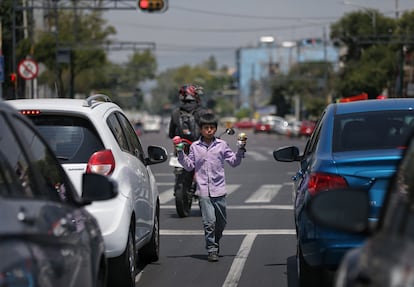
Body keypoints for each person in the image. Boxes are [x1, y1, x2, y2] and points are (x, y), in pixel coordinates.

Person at [172, 113, 247, 262]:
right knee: (209, 222)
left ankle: (216, 241)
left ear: (215, 129)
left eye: (212, 128)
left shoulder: (222, 145)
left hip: (219, 190)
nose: (209, 131)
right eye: (206, 128)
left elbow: (234, 162)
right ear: (201, 130)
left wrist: (240, 150)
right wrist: (180, 152)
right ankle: (212, 249)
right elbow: (189, 166)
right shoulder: (194, 147)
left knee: (221, 222)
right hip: (203, 191)